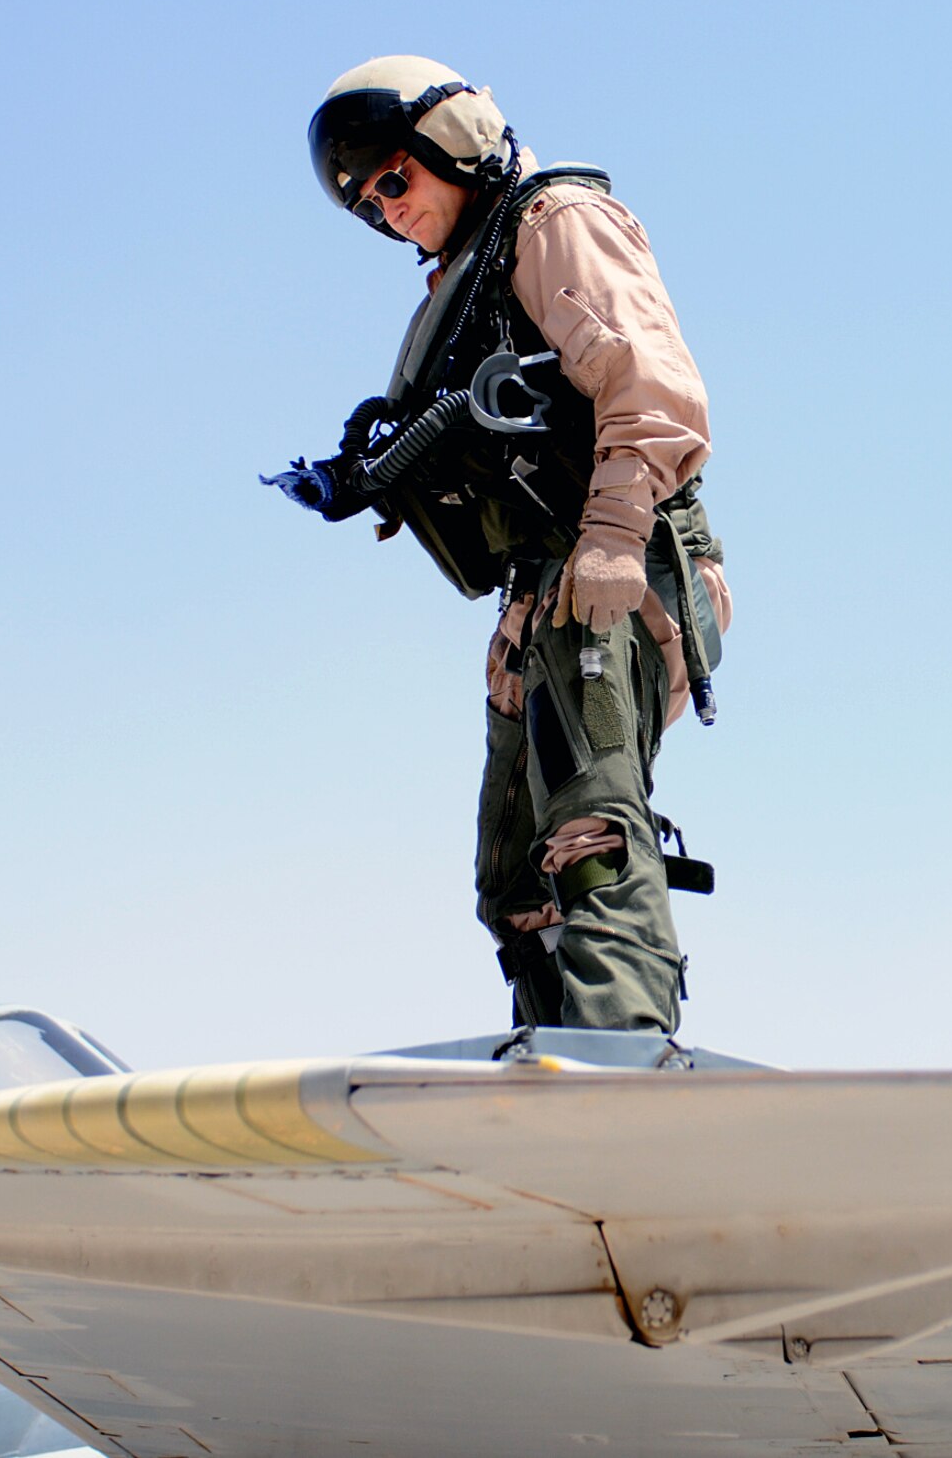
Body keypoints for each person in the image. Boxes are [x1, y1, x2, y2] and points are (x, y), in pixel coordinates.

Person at [266, 56, 730, 1034]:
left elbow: (651, 382)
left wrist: (610, 535)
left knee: (589, 820)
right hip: (536, 595)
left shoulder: (551, 221)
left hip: (617, 563)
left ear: (453, 143)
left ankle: (623, 1044)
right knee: (509, 872)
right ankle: (552, 1041)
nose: (385, 208)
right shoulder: (459, 284)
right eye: (365, 204)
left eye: (394, 179)